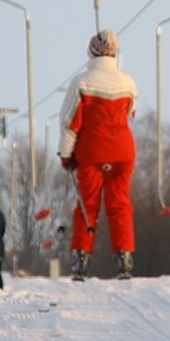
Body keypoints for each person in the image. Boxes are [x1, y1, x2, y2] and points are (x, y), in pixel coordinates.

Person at [57, 28, 138, 281]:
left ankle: (80, 261)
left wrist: (66, 155)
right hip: (123, 151)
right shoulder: (128, 82)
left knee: (86, 207)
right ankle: (123, 261)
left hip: (91, 153)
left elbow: (70, 122)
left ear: (91, 52)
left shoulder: (82, 82)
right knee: (120, 206)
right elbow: (131, 111)